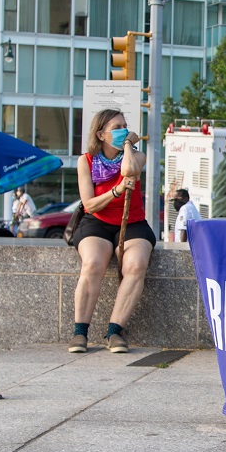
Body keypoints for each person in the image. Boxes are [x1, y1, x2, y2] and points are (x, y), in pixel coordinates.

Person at [70, 108, 151, 353]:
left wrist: (127, 144)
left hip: (133, 223)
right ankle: (80, 332)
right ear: (101, 134)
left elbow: (128, 171)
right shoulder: (86, 161)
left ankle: (114, 331)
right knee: (93, 262)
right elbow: (89, 203)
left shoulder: (138, 156)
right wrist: (115, 192)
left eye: (125, 126)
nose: (123, 130)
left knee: (135, 265)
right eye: (116, 128)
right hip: (97, 221)